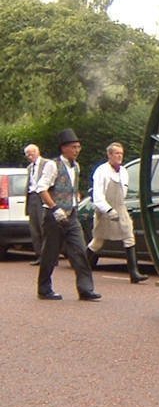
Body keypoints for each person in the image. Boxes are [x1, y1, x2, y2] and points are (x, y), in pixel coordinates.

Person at [35, 129, 101, 301]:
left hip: (71, 215)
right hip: (53, 216)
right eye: (73, 147)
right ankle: (44, 289)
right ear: (64, 148)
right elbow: (41, 188)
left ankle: (85, 289)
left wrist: (75, 197)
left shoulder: (76, 167)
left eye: (78, 147)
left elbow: (71, 187)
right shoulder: (52, 165)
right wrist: (55, 208)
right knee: (50, 253)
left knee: (80, 250)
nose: (77, 150)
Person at [86, 142, 148, 283]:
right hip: (105, 210)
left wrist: (118, 209)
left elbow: (123, 193)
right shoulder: (101, 171)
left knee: (129, 237)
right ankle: (83, 267)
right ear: (109, 155)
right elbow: (98, 196)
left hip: (120, 208)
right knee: (97, 241)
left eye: (121, 153)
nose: (119, 156)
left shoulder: (124, 172)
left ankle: (134, 273)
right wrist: (108, 210)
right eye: (116, 153)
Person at [24, 144, 48, 265]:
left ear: (37, 152)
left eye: (31, 153)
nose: (29, 156)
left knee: (44, 227)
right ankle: (39, 256)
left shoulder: (47, 164)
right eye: (27, 154)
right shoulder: (29, 168)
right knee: (34, 229)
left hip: (42, 197)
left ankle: (47, 256)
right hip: (32, 197)